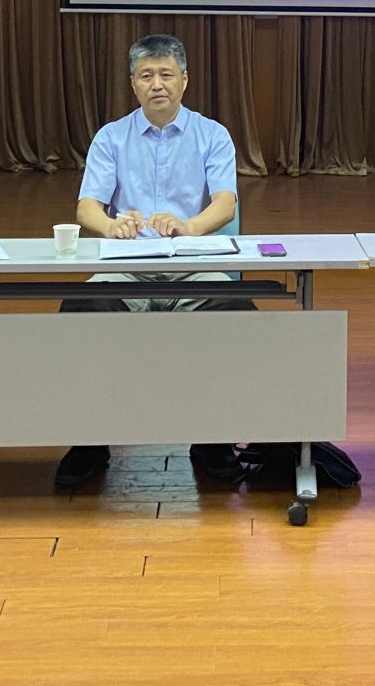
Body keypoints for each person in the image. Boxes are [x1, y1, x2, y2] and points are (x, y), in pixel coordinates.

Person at [53, 35, 251, 489]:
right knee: (80, 312)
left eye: (166, 74)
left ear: (185, 80)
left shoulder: (212, 134)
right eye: (146, 76)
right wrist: (111, 227)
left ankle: (213, 440)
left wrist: (189, 226)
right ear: (133, 84)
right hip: (129, 263)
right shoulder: (111, 137)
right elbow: (87, 208)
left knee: (234, 313)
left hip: (193, 261)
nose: (157, 84)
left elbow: (225, 204)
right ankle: (89, 439)